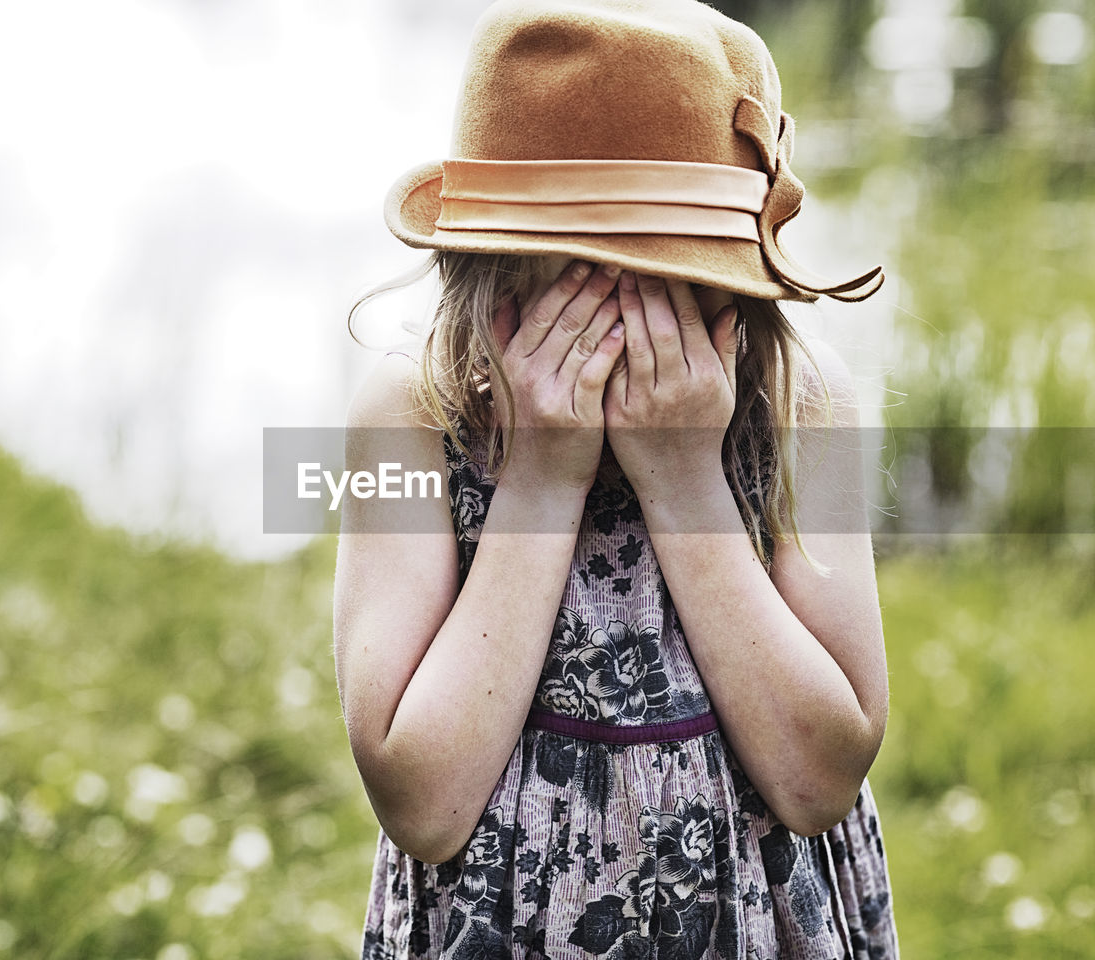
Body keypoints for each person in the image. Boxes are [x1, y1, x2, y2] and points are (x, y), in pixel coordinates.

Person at [333, 1, 900, 956]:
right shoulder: (412, 413)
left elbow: (818, 779)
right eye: (582, 281)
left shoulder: (799, 401)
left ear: (732, 283)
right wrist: (542, 484)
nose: (621, 327)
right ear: (489, 274)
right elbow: (423, 806)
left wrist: (686, 484)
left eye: (665, 278)